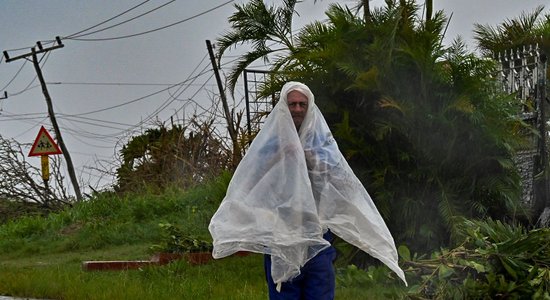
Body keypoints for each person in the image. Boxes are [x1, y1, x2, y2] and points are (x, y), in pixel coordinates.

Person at [209, 82, 406, 300]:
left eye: (302, 104)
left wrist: (310, 159)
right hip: (281, 235)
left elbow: (341, 181)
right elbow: (250, 181)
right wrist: (283, 155)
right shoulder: (269, 144)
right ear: (284, 107)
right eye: (292, 104)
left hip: (317, 235)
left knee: (320, 292)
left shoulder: (322, 144)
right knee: (284, 292)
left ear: (309, 107)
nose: (297, 109)